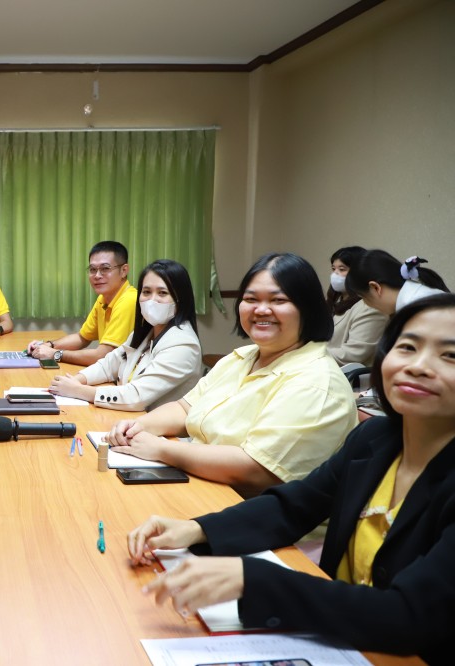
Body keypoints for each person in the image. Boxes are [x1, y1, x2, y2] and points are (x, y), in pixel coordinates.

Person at [127, 294, 455, 663]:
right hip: (343, 639)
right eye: (408, 347)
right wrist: (196, 529)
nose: (418, 366)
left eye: (450, 356)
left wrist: (255, 579)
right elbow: (295, 506)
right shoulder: (375, 438)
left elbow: (409, 615)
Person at [106, 252, 357, 498]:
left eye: (278, 300)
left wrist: (162, 449)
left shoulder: (316, 382)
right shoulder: (242, 357)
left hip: (252, 512)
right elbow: (185, 408)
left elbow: (257, 468)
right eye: (251, 299)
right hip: (200, 485)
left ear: (308, 308)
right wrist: (138, 427)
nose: (261, 309)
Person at [48, 259, 202, 411]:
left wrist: (78, 390)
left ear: (180, 299)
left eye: (162, 293)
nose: (152, 300)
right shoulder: (147, 332)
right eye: (146, 292)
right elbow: (109, 365)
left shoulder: (183, 345)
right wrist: (76, 380)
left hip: (158, 427)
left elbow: (136, 397)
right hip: (130, 420)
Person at [28, 241, 138, 367]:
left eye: (105, 269)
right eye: (92, 269)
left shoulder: (129, 300)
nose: (97, 275)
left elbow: (103, 356)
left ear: (124, 270)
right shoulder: (103, 298)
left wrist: (55, 354)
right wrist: (48, 345)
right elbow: (82, 338)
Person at [325, 246, 388, 367]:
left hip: (351, 375)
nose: (335, 274)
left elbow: (354, 353)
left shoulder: (370, 307)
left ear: (359, 272)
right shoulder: (334, 301)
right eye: (333, 269)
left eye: (342, 269)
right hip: (326, 367)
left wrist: (312, 356)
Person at [345, 250, 449, 316]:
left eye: (363, 297)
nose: (365, 304)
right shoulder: (415, 295)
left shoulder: (414, 308)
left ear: (375, 287)